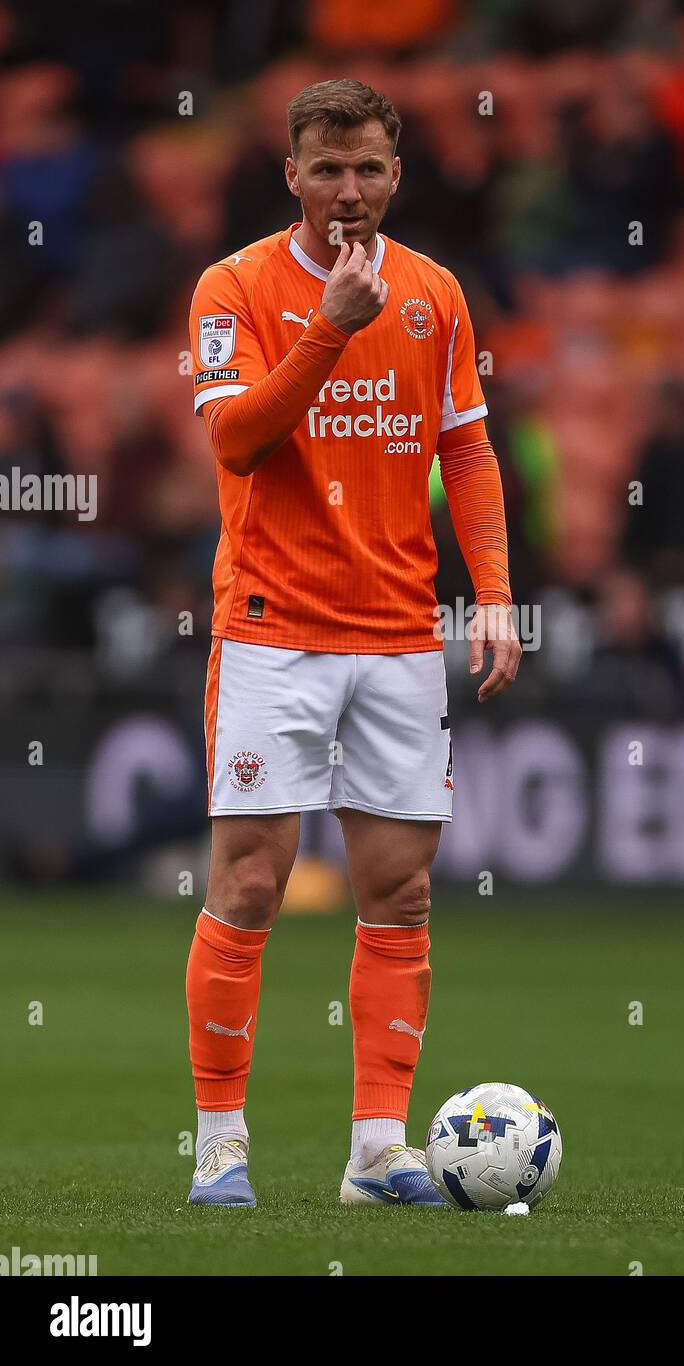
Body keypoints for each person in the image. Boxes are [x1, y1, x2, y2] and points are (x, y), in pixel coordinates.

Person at [185, 79, 520, 1207]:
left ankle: (378, 1150)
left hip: (396, 633)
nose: (349, 191)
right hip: (274, 625)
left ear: (396, 174)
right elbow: (235, 439)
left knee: (401, 892)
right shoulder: (233, 286)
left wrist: (498, 593)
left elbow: (465, 449)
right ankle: (220, 1143)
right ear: (291, 173)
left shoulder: (434, 293)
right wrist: (328, 329)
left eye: (369, 168)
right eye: (327, 169)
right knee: (249, 881)